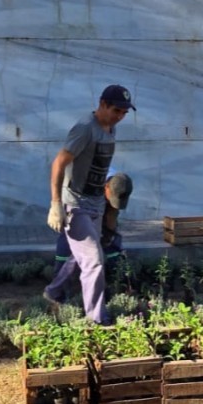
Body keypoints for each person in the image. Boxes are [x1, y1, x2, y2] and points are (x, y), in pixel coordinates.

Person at [44, 84, 136, 325]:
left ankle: (54, 292)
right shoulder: (85, 128)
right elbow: (58, 163)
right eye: (117, 110)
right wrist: (55, 204)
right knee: (94, 261)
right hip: (75, 204)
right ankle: (97, 319)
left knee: (81, 257)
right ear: (102, 104)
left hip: (95, 204)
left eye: (125, 112)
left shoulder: (110, 128)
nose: (120, 116)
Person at [49, 173, 133, 303]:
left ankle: (118, 283)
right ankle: (59, 293)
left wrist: (108, 236)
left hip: (97, 206)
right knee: (68, 247)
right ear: (106, 187)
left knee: (113, 247)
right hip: (76, 206)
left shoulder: (120, 183)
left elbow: (112, 213)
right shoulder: (85, 180)